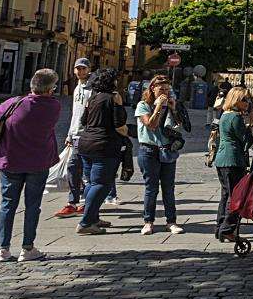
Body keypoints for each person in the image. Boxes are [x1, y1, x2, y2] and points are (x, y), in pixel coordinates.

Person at [0, 68, 62, 262]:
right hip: (39, 162)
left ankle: (3, 249)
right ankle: (27, 248)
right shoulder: (54, 106)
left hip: (11, 160)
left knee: (7, 204)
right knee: (33, 206)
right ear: (51, 89)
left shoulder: (14, 103)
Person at [74, 68, 128, 235]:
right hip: (104, 145)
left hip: (86, 143)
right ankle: (86, 222)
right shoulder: (114, 98)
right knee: (101, 184)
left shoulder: (93, 98)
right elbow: (119, 124)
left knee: (91, 182)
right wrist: (127, 132)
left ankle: (94, 218)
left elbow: (83, 121)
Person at [134, 74, 184, 236]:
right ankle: (148, 221)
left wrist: (173, 108)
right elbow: (151, 125)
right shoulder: (143, 105)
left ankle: (172, 221)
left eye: (167, 90)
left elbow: (179, 127)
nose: (164, 92)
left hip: (167, 149)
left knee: (169, 188)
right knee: (151, 188)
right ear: (152, 89)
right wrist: (158, 107)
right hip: (149, 150)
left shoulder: (169, 104)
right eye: (161, 89)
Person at [214, 86, 253, 241]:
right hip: (233, 160)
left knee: (225, 195)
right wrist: (250, 126)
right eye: (244, 100)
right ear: (236, 100)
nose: (247, 102)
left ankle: (219, 227)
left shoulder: (225, 115)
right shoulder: (235, 117)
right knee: (235, 196)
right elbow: (245, 140)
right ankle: (227, 228)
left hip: (222, 159)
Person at [56, 57, 92, 217]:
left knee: (84, 170)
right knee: (73, 168)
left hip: (87, 135)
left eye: (83, 68)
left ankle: (83, 202)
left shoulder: (92, 89)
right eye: (78, 68)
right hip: (76, 134)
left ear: (89, 70)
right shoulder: (77, 87)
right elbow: (74, 113)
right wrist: (70, 134)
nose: (80, 71)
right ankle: (74, 202)